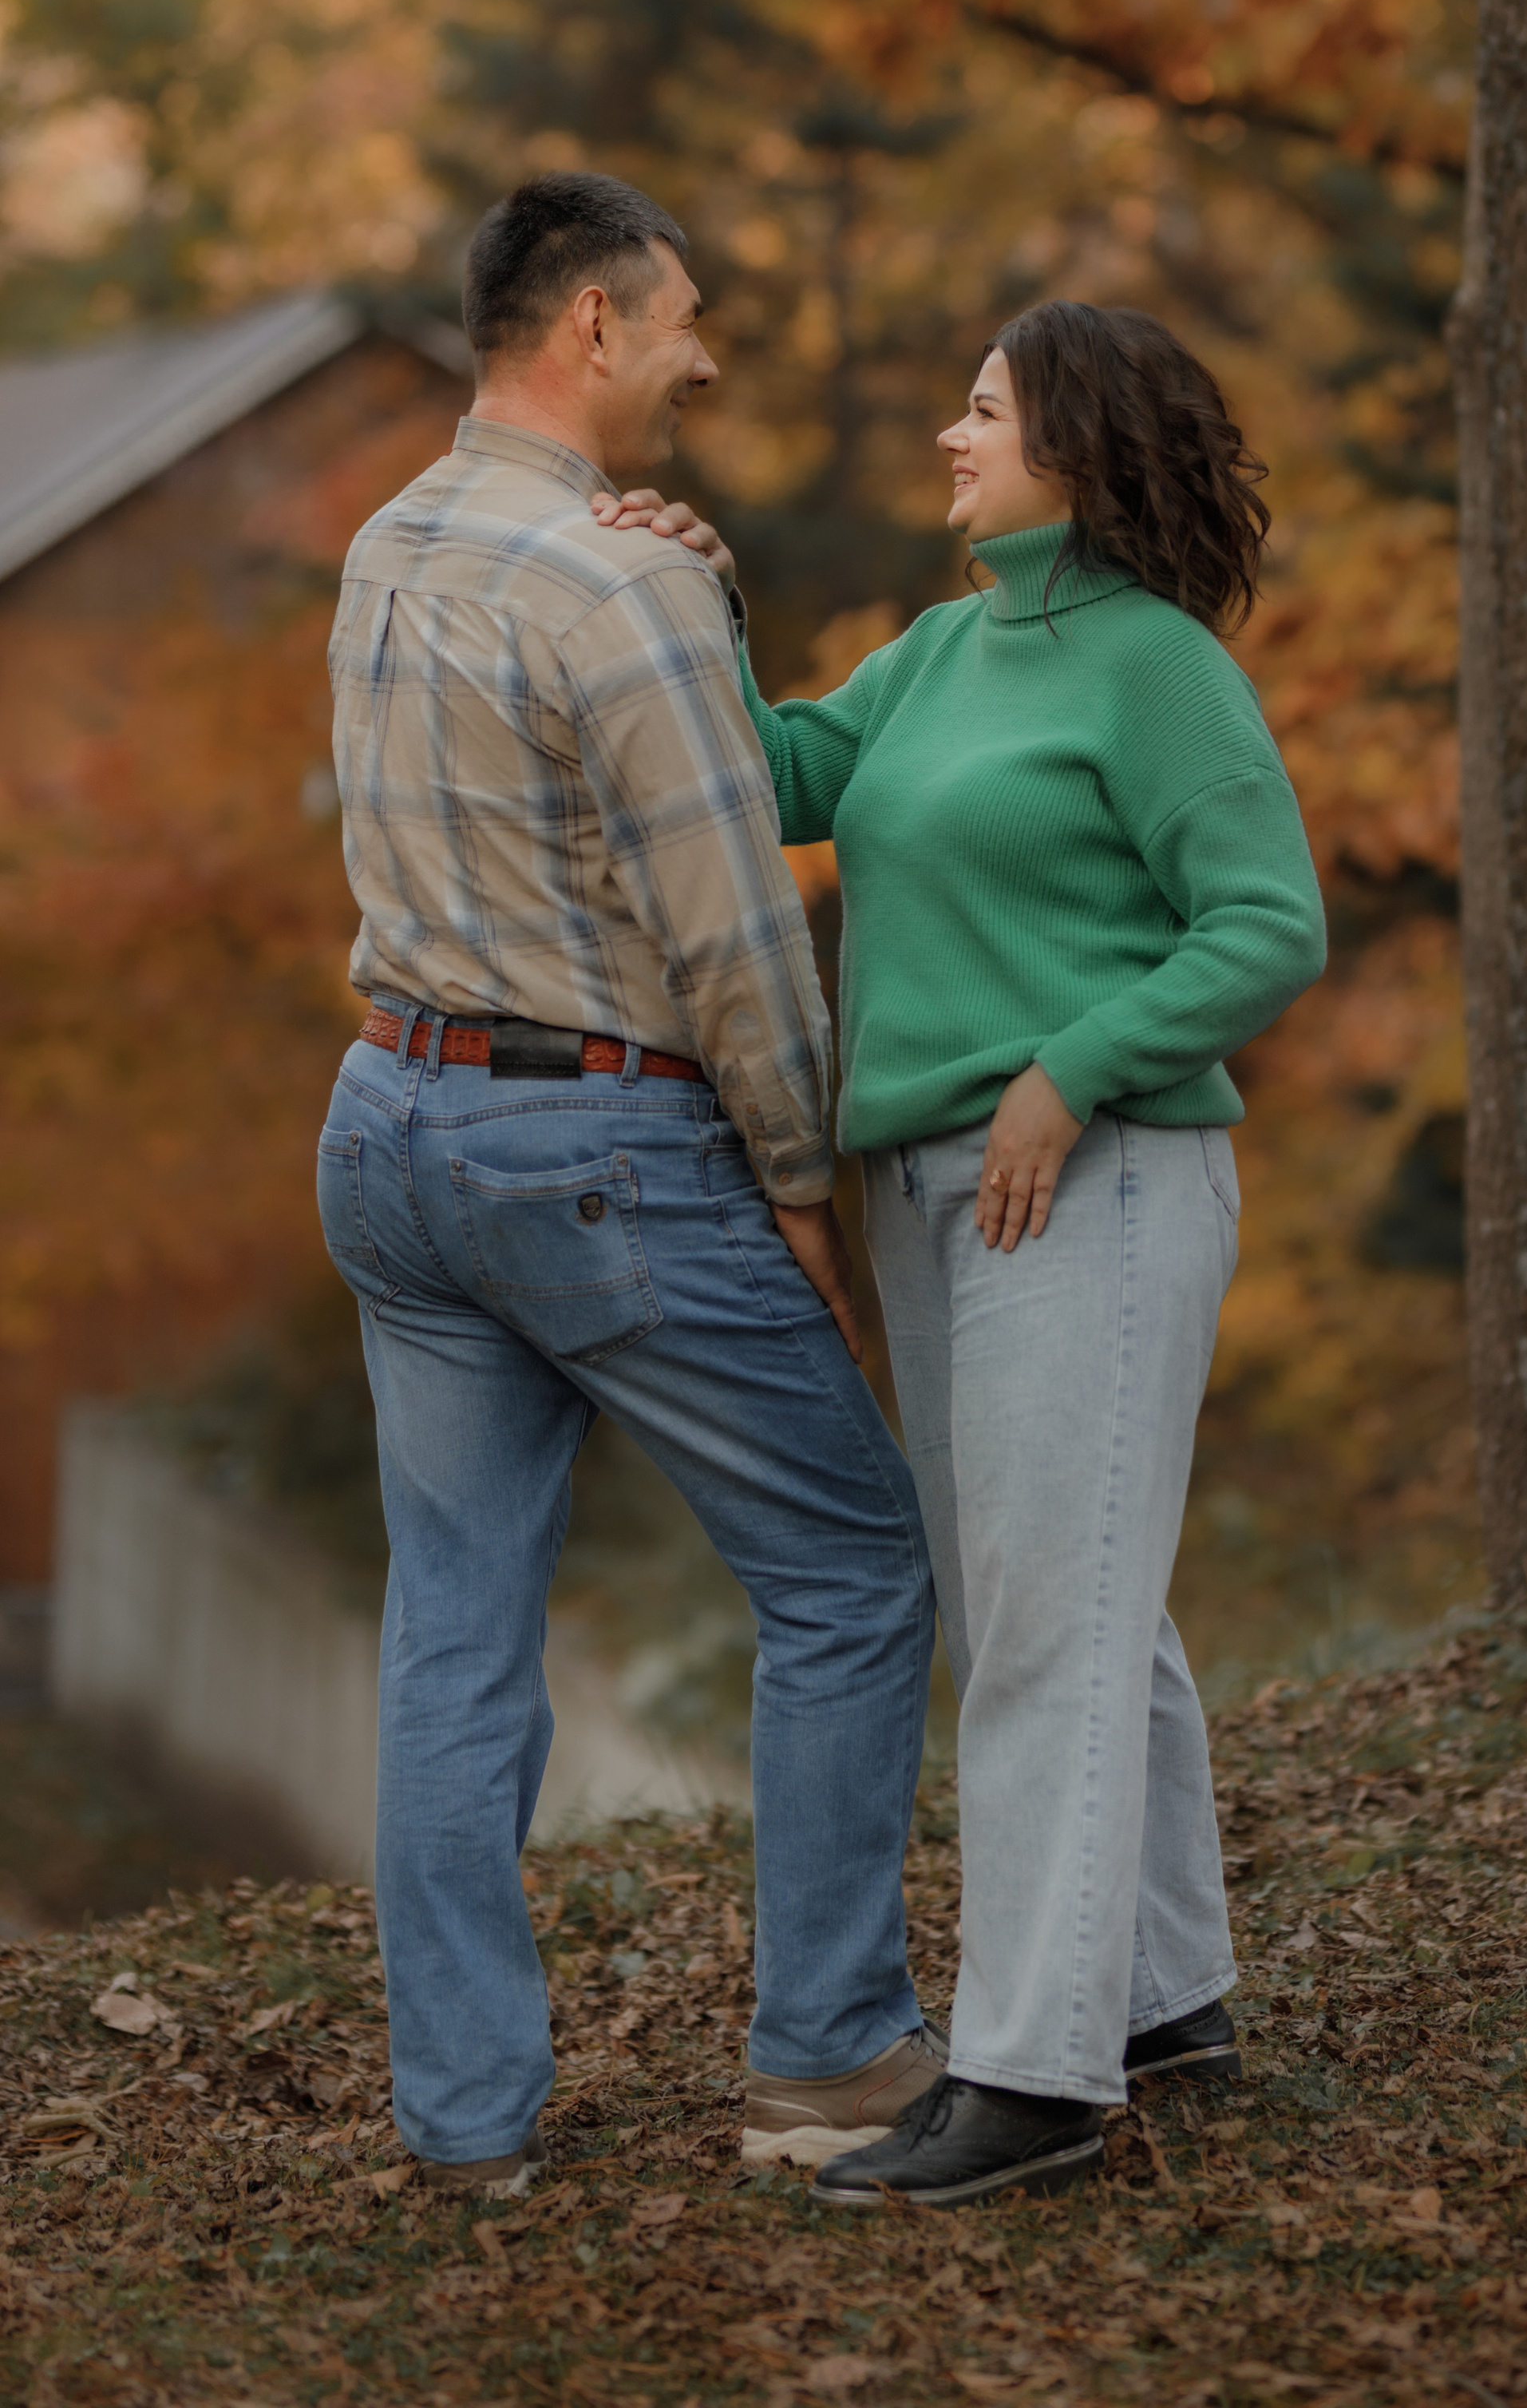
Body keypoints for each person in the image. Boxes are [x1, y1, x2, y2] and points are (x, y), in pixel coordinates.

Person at [598, 299, 1327, 2208]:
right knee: (1064, 1606)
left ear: (1073, 447)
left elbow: (1266, 924)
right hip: (927, 1193)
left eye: (983, 410)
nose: (949, 434)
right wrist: (697, 603)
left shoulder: (1158, 667)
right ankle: (1165, 2000)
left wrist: (1068, 1075)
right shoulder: (934, 653)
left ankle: (1032, 2078)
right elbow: (771, 783)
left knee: (1041, 1627)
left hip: (1093, 1183)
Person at [318, 172, 944, 2195]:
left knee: (452, 1632)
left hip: (391, 1125)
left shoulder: (390, 544)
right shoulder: (619, 586)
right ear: (592, 324)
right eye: (681, 320)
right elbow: (738, 937)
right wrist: (803, 1195)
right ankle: (830, 2058)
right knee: (850, 1572)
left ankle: (464, 2123)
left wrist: (704, 596)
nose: (705, 358)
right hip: (593, 1150)